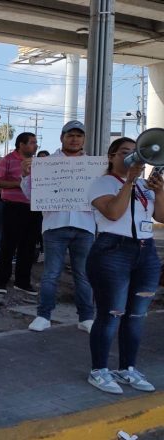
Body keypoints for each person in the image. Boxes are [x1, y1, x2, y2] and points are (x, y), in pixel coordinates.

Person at [85, 137, 163, 394]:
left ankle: (127, 368)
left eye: (135, 152)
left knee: (137, 315)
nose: (131, 157)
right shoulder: (102, 183)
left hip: (146, 250)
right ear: (111, 156)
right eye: (124, 152)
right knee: (111, 314)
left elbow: (161, 217)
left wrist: (160, 192)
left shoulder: (143, 185)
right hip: (113, 251)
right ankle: (99, 370)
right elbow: (113, 213)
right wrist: (129, 181)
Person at [21, 121, 95, 333]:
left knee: (83, 274)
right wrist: (26, 176)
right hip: (55, 226)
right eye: (70, 135)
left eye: (79, 136)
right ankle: (43, 315)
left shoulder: (93, 166)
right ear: (61, 138)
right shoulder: (46, 163)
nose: (74, 139)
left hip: (85, 226)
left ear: (84, 139)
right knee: (51, 274)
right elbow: (31, 195)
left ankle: (87, 317)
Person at [0, 132, 40, 295]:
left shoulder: (39, 163)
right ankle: (0, 280)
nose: (36, 145)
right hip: (13, 207)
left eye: (36, 142)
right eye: (32, 142)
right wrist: (20, 183)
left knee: (28, 246)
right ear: (21, 144)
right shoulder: (8, 160)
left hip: (33, 208)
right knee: (8, 245)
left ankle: (22, 281)